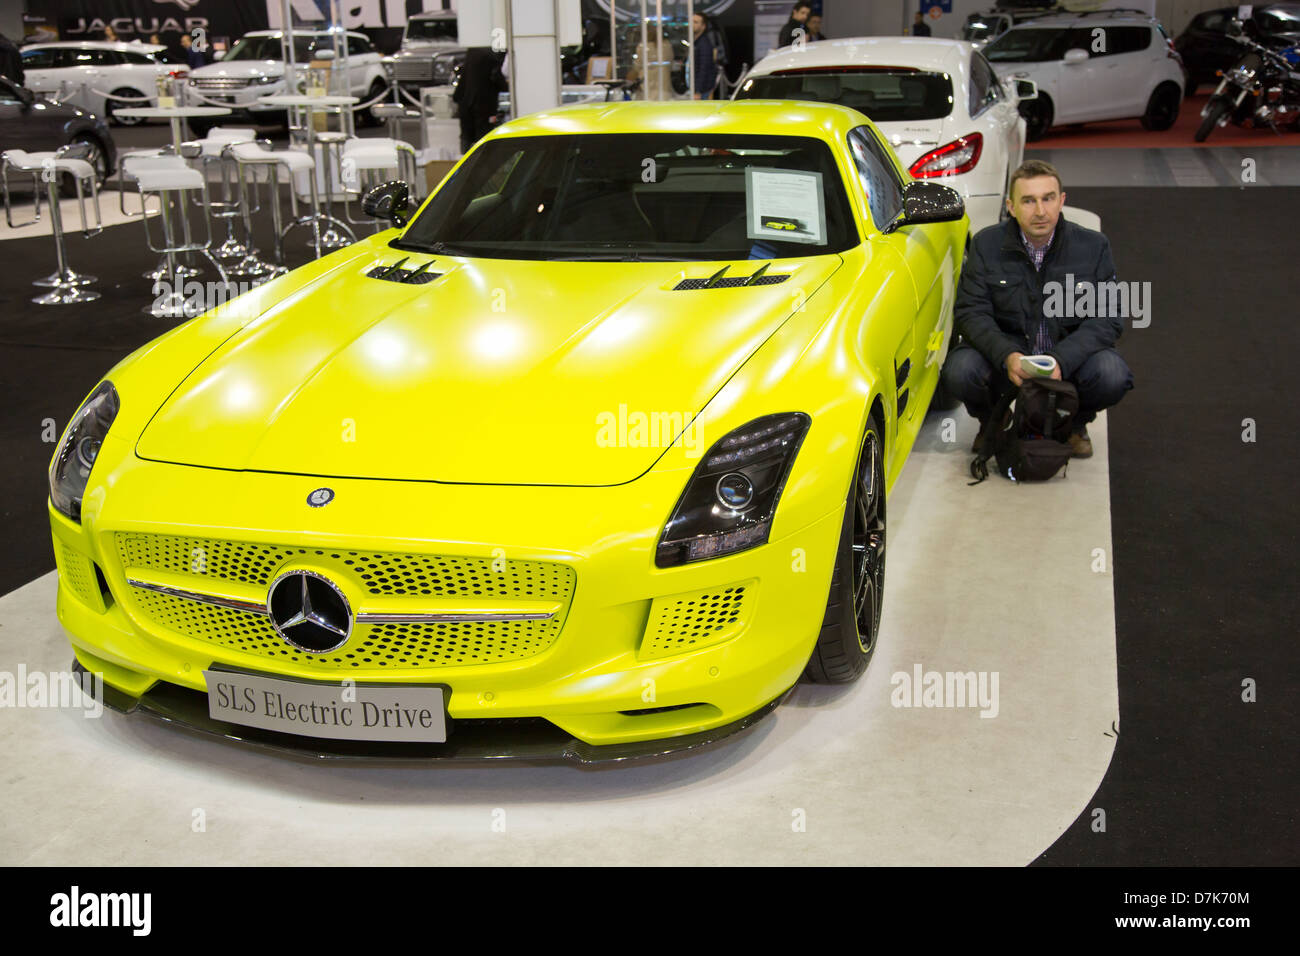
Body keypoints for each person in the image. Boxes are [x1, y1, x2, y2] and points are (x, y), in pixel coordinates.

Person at [941, 160, 1133, 459]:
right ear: (1011, 206)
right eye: (1028, 201)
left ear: (1062, 200)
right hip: (1008, 354)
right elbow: (971, 312)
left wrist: (1062, 360)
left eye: (1048, 198)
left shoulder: (1093, 246)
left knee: (1112, 374)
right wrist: (1007, 354)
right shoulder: (986, 245)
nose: (1040, 211)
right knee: (959, 370)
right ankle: (993, 420)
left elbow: (1108, 317)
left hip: (1067, 356)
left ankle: (1073, 424)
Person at [453, 47, 508, 153]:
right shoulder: (494, 55)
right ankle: (482, 160)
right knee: (483, 135)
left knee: (466, 135)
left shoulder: (472, 50)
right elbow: (496, 76)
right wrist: (506, 87)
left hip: (465, 100)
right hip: (484, 103)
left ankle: (464, 161)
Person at [691, 12, 719, 99]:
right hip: (696, 88)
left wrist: (698, 91)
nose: (692, 24)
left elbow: (704, 68)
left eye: (696, 22)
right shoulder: (696, 42)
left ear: (703, 26)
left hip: (701, 90)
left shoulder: (704, 44)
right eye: (692, 21)